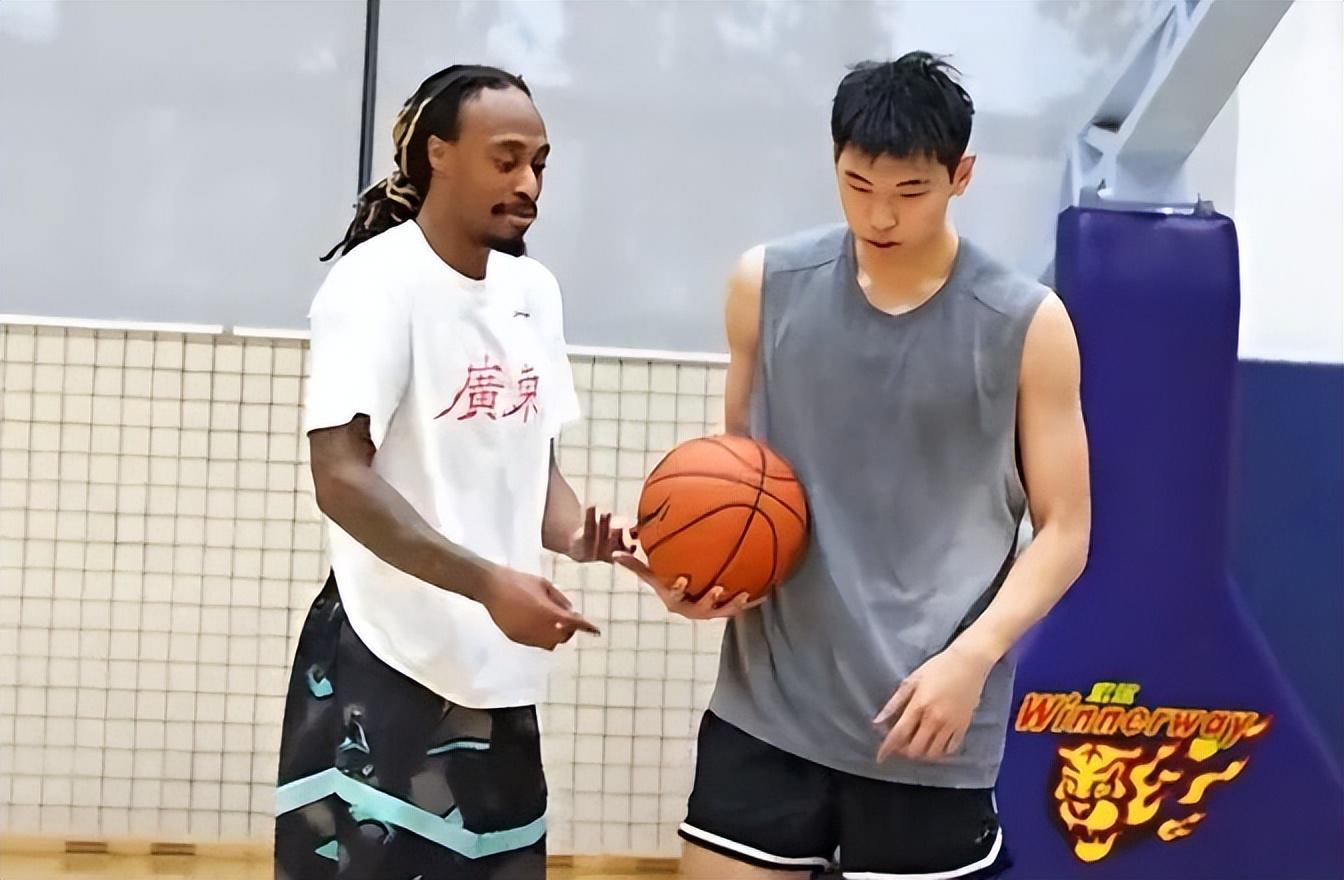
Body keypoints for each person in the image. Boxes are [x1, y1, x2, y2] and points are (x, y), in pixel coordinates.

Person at [619, 52, 1092, 879]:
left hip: (928, 716)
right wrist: (703, 576)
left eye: (911, 191)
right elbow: (741, 476)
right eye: (857, 183)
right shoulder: (765, 286)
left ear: (961, 176)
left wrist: (972, 659)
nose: (880, 213)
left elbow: (1066, 531)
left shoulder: (1028, 324)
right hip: (770, 706)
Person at [274, 65, 625, 880]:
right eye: (506, 160)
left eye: (539, 163)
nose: (528, 182)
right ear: (438, 153)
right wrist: (488, 583)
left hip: (495, 663)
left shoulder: (534, 291)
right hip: (384, 652)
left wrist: (589, 538)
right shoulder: (374, 283)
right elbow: (340, 477)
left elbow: (535, 474)